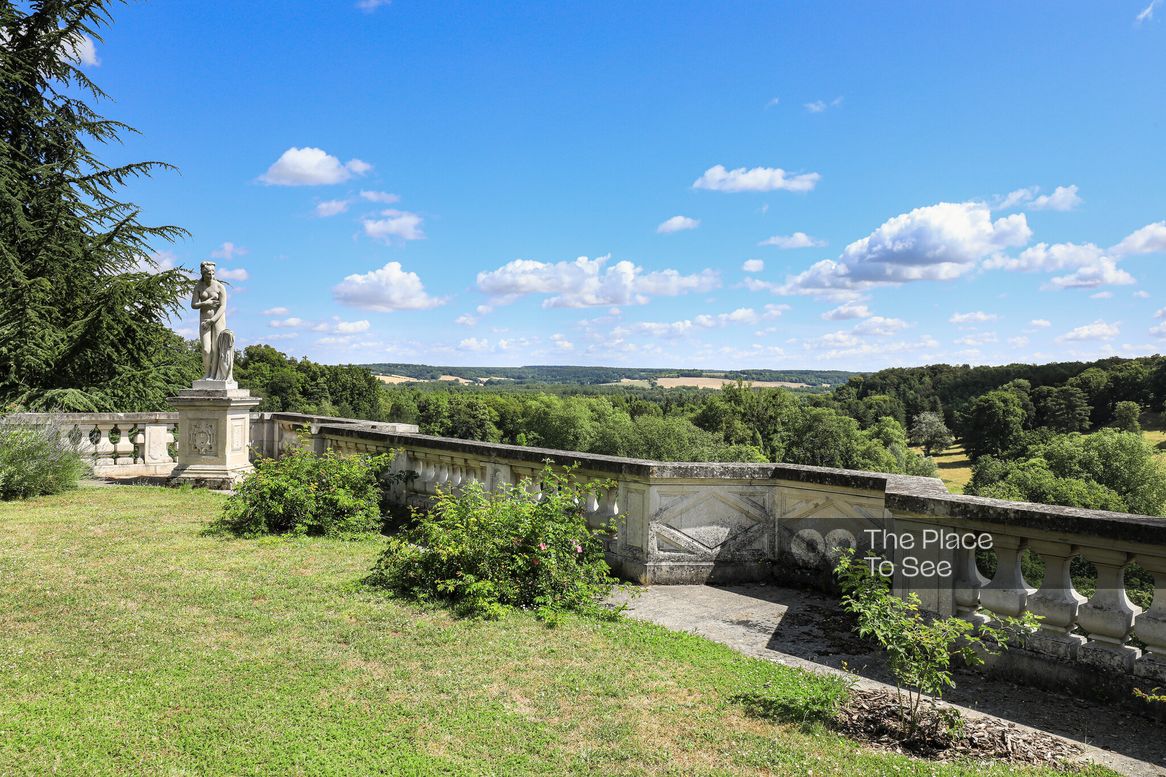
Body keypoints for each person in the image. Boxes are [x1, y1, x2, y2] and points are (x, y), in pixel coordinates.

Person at [191, 261, 228, 380]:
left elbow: (223, 306)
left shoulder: (219, 286)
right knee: (206, 349)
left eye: (212, 273)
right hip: (204, 319)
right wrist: (205, 303)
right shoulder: (198, 286)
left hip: (217, 320)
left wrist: (212, 320)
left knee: (215, 348)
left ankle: (213, 375)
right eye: (208, 273)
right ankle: (207, 373)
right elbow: (193, 305)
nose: (211, 276)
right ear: (203, 273)